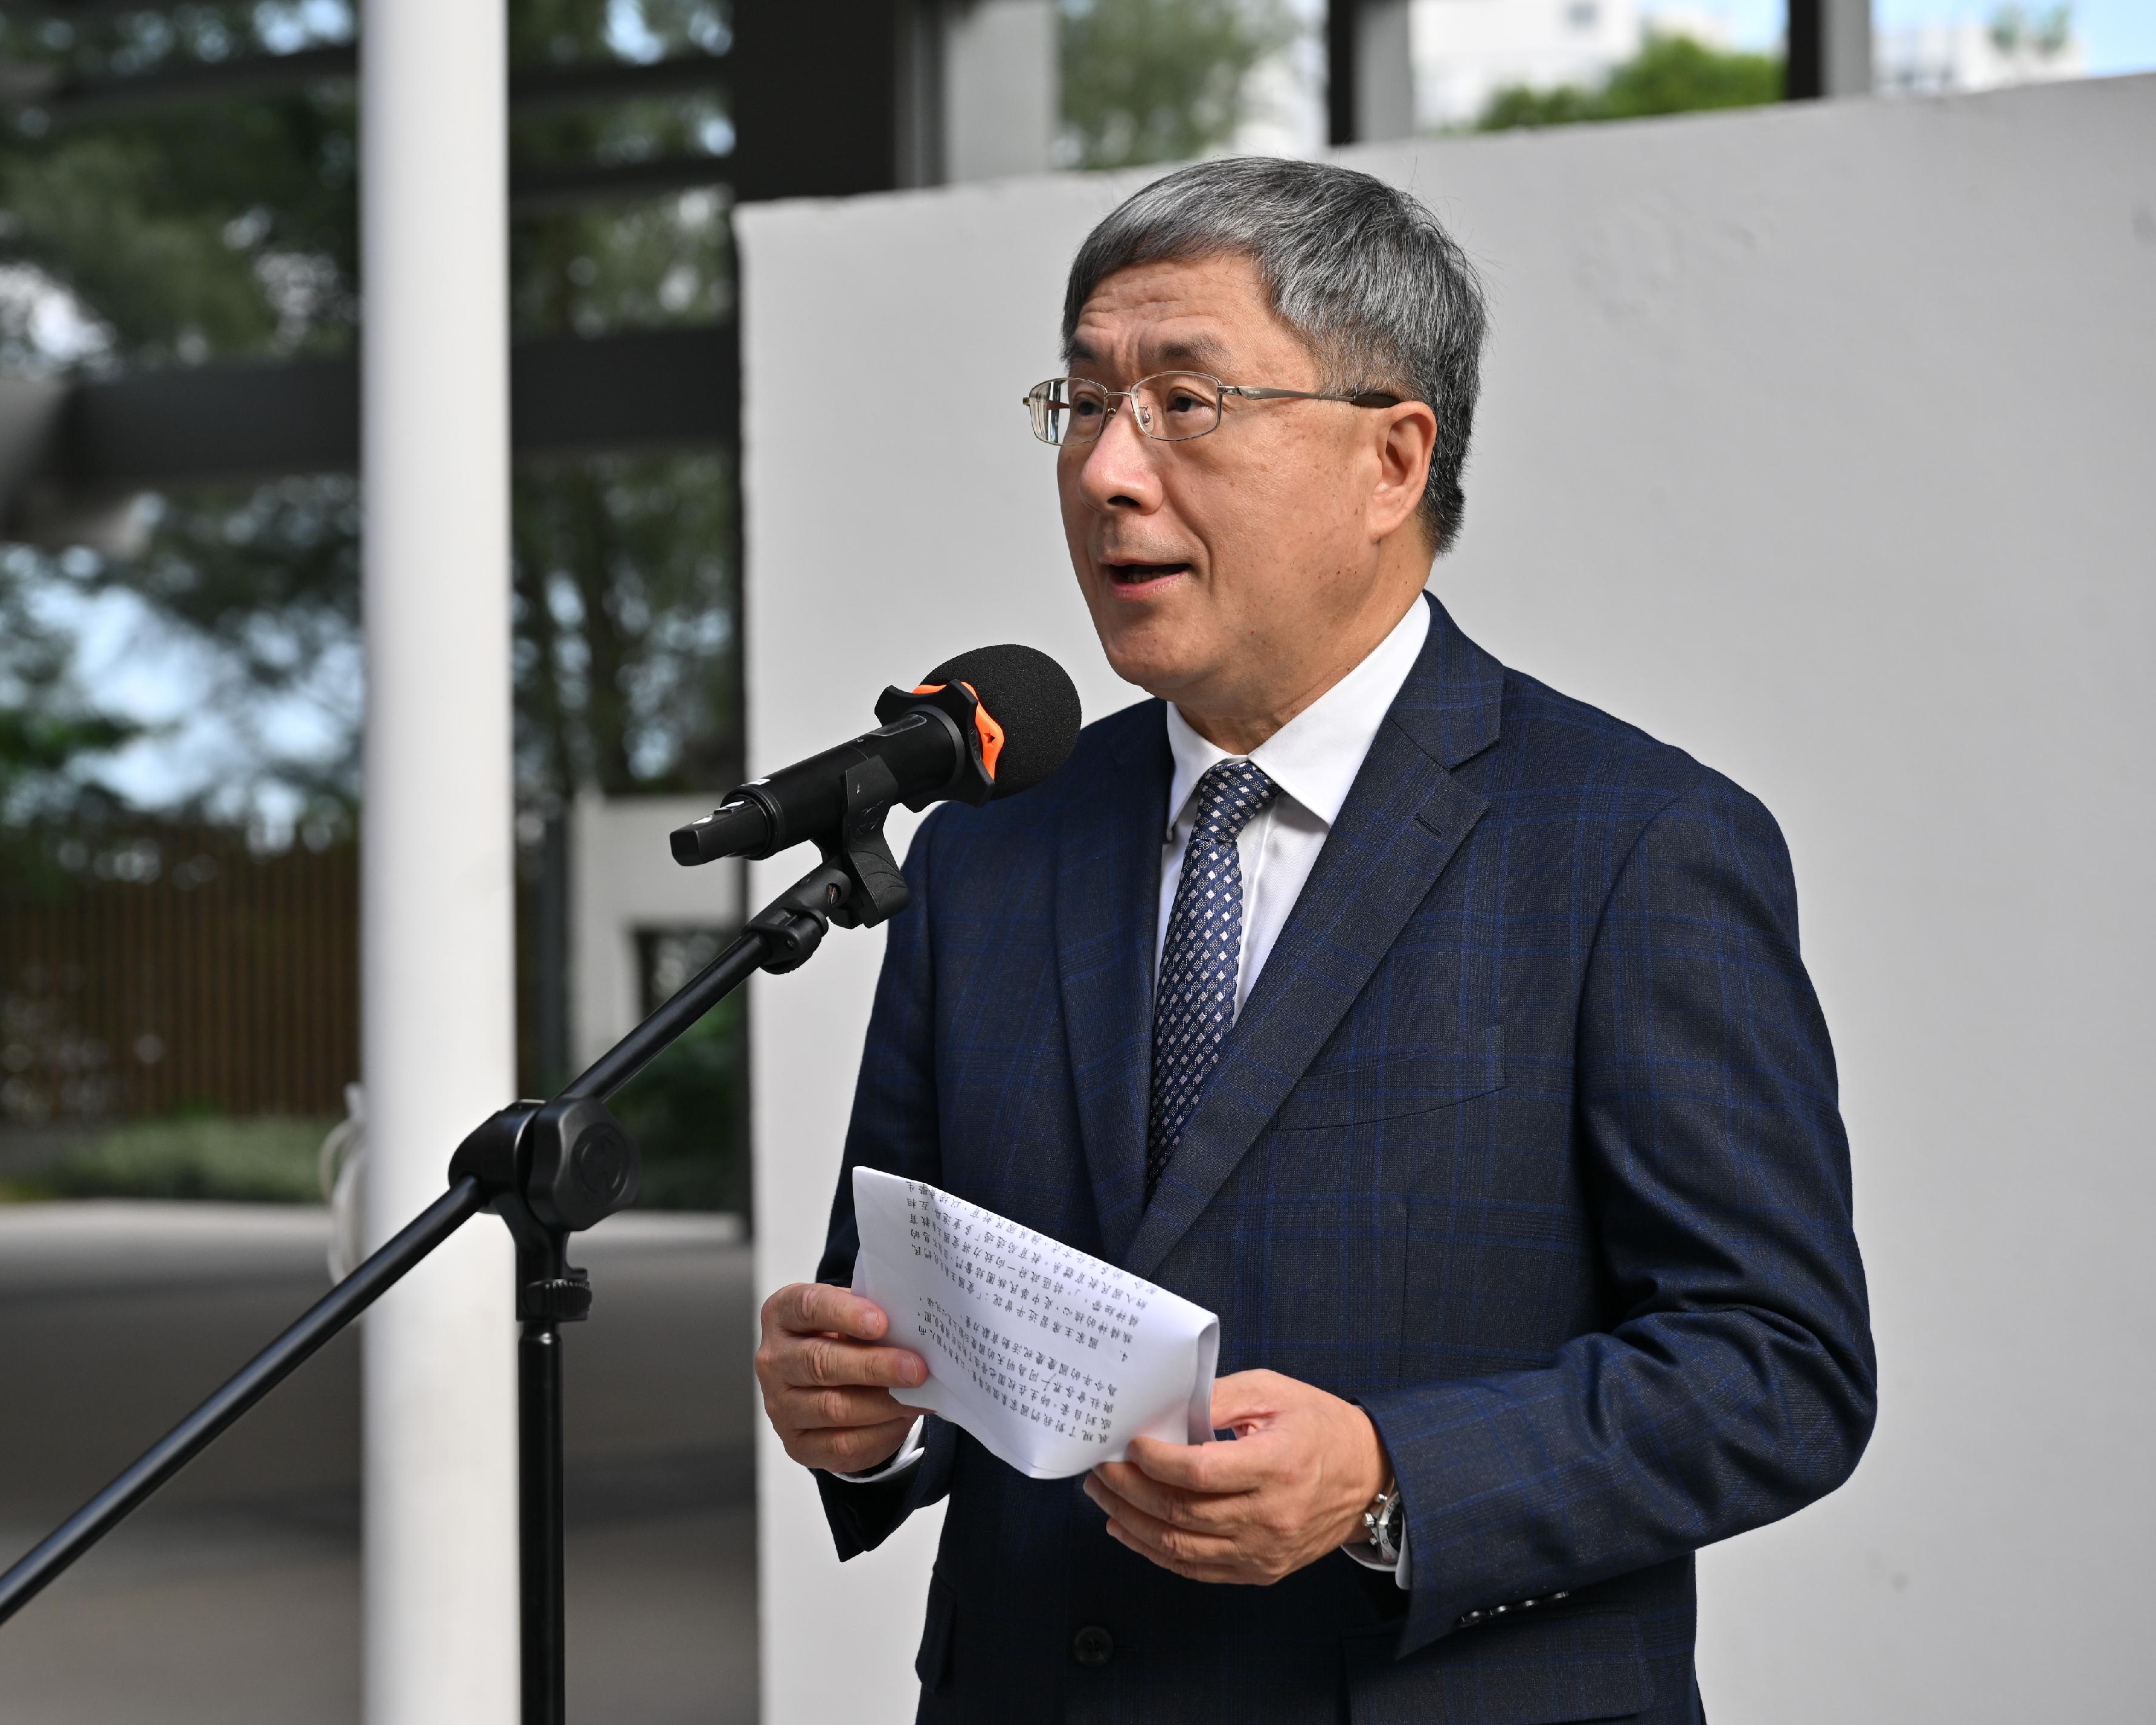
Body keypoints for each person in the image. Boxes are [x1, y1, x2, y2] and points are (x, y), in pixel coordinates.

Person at [752, 156, 1875, 1723]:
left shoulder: (1630, 841)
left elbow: (1780, 1366)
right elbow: (911, 1297)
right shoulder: (990, 847)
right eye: (1080, 403)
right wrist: (860, 1402)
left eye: (1185, 401)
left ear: (1391, 458)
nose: (1106, 472)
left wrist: (1389, 1479)